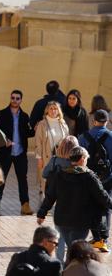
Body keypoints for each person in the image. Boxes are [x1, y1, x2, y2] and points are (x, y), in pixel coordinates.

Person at [37, 146, 112, 260]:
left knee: (72, 248)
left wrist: (42, 213)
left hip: (62, 220)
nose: (86, 161)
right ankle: (70, 273)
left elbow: (50, 196)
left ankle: (65, 272)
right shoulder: (89, 177)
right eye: (86, 159)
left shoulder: (60, 175)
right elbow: (102, 196)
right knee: (75, 251)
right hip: (80, 221)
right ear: (82, 159)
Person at [0, 90, 35, 215]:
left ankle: (25, 205)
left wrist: (35, 129)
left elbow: (27, 133)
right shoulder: (0, 115)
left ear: (21, 100)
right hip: (5, 153)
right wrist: (3, 141)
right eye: (13, 98)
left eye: (17, 98)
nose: (15, 100)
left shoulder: (25, 116)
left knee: (23, 179)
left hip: (20, 153)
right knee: (0, 179)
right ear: (10, 98)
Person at [79, 109, 112, 252]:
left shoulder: (83, 137)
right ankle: (104, 239)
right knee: (105, 206)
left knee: (91, 206)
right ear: (107, 121)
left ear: (94, 121)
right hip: (107, 177)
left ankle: (96, 237)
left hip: (88, 177)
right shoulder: (111, 136)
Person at [42, 135, 79, 261]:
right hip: (75, 201)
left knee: (60, 233)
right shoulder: (77, 162)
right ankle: (73, 261)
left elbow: (44, 173)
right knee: (74, 234)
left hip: (58, 199)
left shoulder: (54, 160)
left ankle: (59, 262)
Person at [34, 101, 69, 193]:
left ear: (59, 111)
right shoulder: (42, 124)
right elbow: (38, 142)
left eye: (55, 108)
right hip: (47, 157)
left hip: (61, 157)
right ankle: (46, 204)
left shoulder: (63, 123)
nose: (53, 110)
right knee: (47, 182)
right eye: (51, 108)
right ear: (47, 111)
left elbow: (67, 140)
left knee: (59, 182)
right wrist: (39, 158)